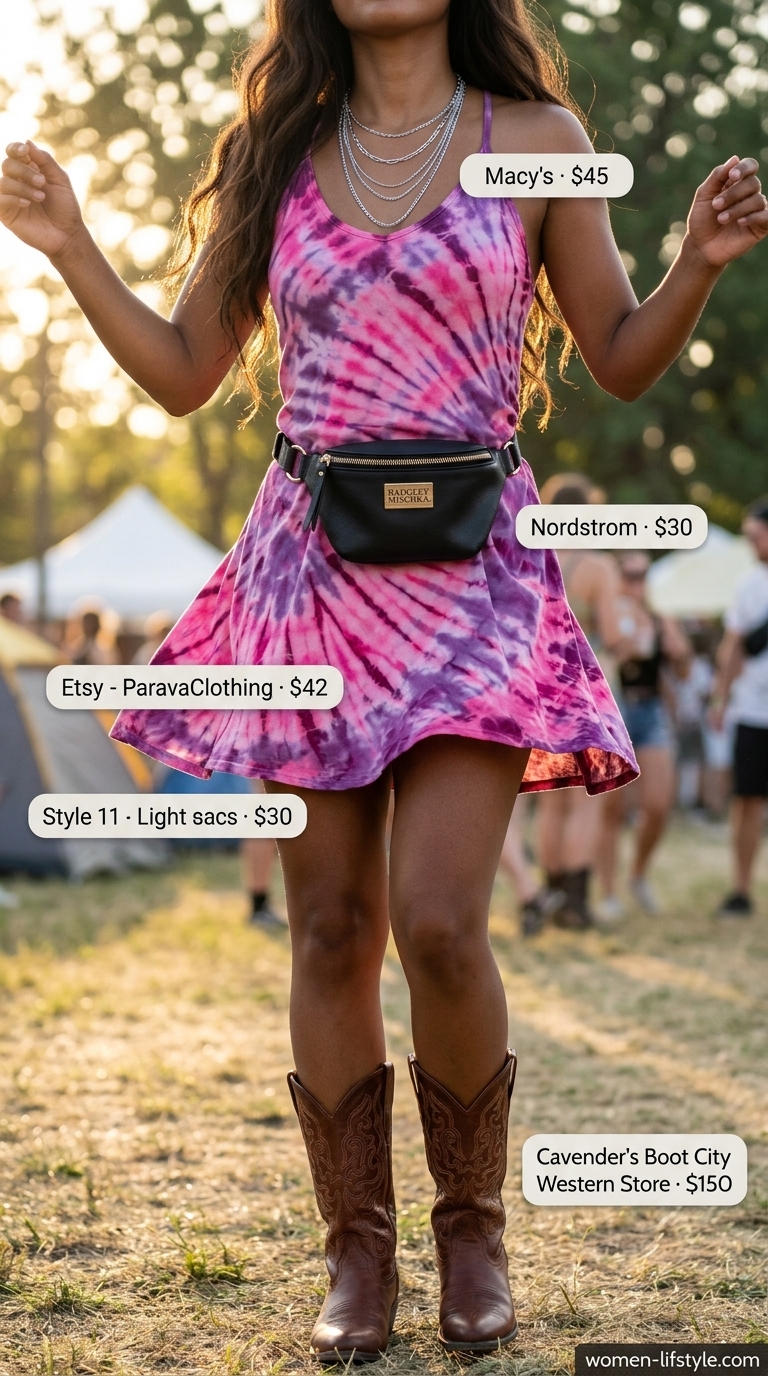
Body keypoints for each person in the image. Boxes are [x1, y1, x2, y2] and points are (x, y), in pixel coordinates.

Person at [3, 0, 764, 1358]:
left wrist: (696, 266)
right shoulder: (274, 155)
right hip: (309, 579)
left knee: (441, 920)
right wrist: (70, 251)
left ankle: (474, 1228)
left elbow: (622, 358)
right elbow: (184, 376)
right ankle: (358, 1254)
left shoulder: (539, 137)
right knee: (331, 930)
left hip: (475, 580)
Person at [534, 474, 622, 928]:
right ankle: (575, 902)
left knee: (552, 801)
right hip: (588, 691)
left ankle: (547, 893)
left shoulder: (534, 555)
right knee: (587, 802)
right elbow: (609, 635)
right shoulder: (598, 566)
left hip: (541, 688)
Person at [597, 553, 690, 916]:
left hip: (650, 711)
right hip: (615, 710)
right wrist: (628, 641)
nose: (638, 582)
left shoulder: (658, 614)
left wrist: (677, 650)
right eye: (631, 575)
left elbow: (682, 671)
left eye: (644, 575)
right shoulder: (609, 612)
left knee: (658, 804)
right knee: (612, 809)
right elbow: (606, 654)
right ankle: (607, 892)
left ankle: (637, 875)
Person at [710, 498, 768, 916]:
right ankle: (742, 888)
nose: (750, 541)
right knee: (747, 800)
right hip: (753, 710)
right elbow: (732, 647)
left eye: (755, 533)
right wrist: (720, 698)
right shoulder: (750, 583)